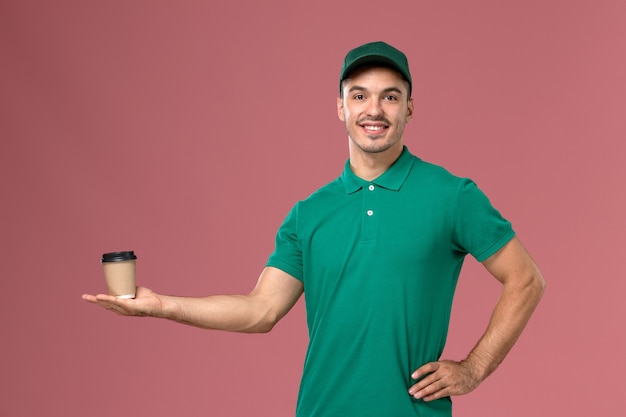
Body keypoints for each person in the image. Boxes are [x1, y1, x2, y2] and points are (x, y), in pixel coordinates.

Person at [83, 41, 545, 416]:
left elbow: (525, 280)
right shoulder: (308, 214)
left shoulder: (452, 196)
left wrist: (474, 369)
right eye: (359, 95)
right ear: (340, 108)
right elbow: (259, 311)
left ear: (409, 109)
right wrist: (162, 305)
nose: (375, 109)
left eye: (390, 96)